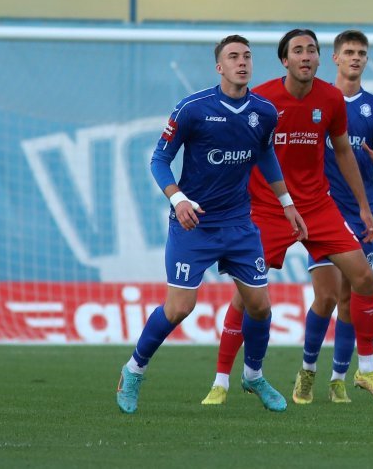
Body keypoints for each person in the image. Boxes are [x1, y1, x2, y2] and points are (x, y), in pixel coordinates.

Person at [201, 28, 373, 406]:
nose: (306, 56)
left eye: (312, 50)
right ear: (284, 60)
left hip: (317, 207)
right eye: (298, 51)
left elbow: (342, 152)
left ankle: (366, 368)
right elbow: (240, 152)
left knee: (363, 278)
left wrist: (362, 206)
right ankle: (221, 380)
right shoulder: (263, 100)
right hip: (268, 208)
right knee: (247, 298)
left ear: (320, 59)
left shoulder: (331, 99)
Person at [117, 34, 306, 414]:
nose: (242, 62)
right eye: (233, 57)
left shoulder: (264, 112)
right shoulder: (192, 109)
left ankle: (252, 376)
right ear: (219, 67)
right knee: (180, 307)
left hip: (239, 223)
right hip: (195, 224)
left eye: (247, 56)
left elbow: (265, 154)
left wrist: (287, 202)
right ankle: (134, 369)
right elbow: (159, 159)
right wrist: (178, 198)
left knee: (260, 306)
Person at [303, 29, 373, 403]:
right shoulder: (319, 101)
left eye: (361, 53)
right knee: (325, 297)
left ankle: (340, 378)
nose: (356, 58)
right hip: (320, 212)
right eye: (349, 52)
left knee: (350, 294)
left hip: (362, 213)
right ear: (335, 58)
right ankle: (307, 370)